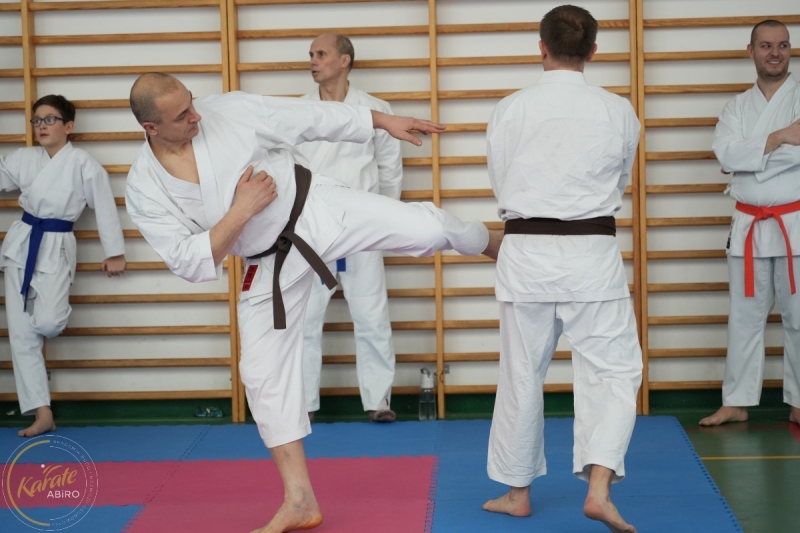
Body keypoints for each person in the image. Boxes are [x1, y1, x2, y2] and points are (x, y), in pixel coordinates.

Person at [125, 72, 500, 533]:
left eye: (192, 102)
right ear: (151, 127)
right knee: (261, 373)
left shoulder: (229, 111)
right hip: (267, 260)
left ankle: (491, 242)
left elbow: (308, 117)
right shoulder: (144, 187)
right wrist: (241, 210)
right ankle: (300, 501)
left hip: (315, 208)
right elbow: (189, 262)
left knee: (427, 229)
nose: (197, 115)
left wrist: (381, 120)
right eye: (182, 114)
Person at [482, 6, 642, 533]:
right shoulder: (618, 111)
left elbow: (501, 179)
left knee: (521, 374)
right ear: (593, 51)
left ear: (541, 47)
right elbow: (619, 180)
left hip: (525, 251)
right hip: (591, 254)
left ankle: (517, 494)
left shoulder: (510, 109)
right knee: (613, 371)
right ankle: (598, 489)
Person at [0, 95, 127, 438]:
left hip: (56, 245)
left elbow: (104, 205)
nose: (41, 126)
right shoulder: (24, 159)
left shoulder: (83, 163)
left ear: (69, 126)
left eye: (50, 119)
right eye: (37, 120)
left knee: (48, 322)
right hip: (21, 244)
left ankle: (41, 388)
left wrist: (114, 252)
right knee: (21, 337)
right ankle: (42, 413)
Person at [296, 33, 401, 424]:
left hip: (363, 225)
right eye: (311, 54)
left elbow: (389, 170)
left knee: (371, 314)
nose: (313, 60)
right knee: (305, 319)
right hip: (312, 227)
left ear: (344, 60)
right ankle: (303, 403)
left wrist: (386, 219)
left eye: (321, 54)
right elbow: (287, 170)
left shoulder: (376, 110)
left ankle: (379, 401)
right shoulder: (298, 111)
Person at [701, 20, 800, 427]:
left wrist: (748, 160)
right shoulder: (736, 107)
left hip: (794, 223)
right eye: (766, 45)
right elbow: (725, 155)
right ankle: (736, 402)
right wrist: (779, 138)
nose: (775, 53)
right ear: (751, 51)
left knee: (799, 318)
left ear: (790, 49)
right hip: (749, 226)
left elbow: (738, 159)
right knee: (743, 317)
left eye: (782, 45)